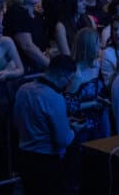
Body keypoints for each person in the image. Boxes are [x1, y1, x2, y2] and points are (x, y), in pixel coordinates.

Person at [12, 54, 78, 195]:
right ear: (61, 74)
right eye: (69, 79)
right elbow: (62, 140)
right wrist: (73, 129)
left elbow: (17, 120)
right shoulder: (54, 98)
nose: (68, 84)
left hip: (24, 157)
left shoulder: (23, 89)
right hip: (46, 161)